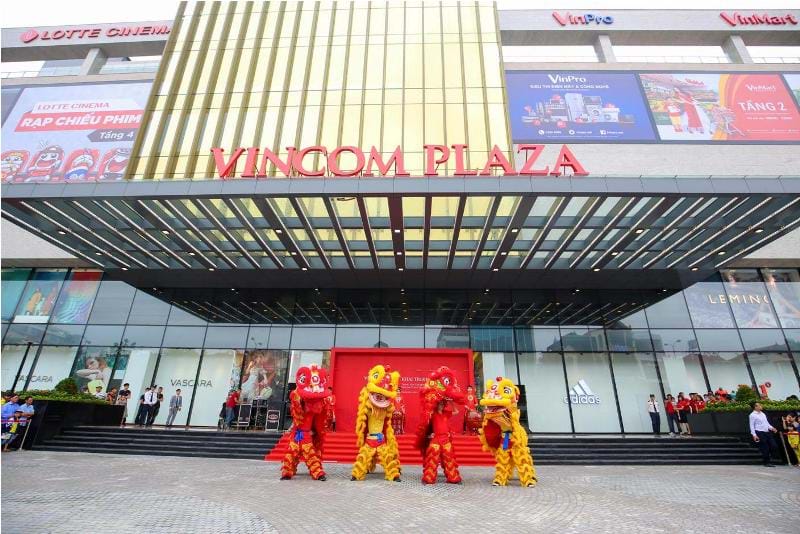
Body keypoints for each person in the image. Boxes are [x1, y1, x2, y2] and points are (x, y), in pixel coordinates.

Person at [749, 402, 779, 467]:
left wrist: (772, 428)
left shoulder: (763, 413)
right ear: (755, 407)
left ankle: (770, 457)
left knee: (774, 445)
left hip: (767, 432)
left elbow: (766, 423)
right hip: (759, 432)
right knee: (765, 448)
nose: (761, 406)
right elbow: (751, 425)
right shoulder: (752, 415)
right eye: (759, 405)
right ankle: (766, 462)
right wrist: (754, 435)